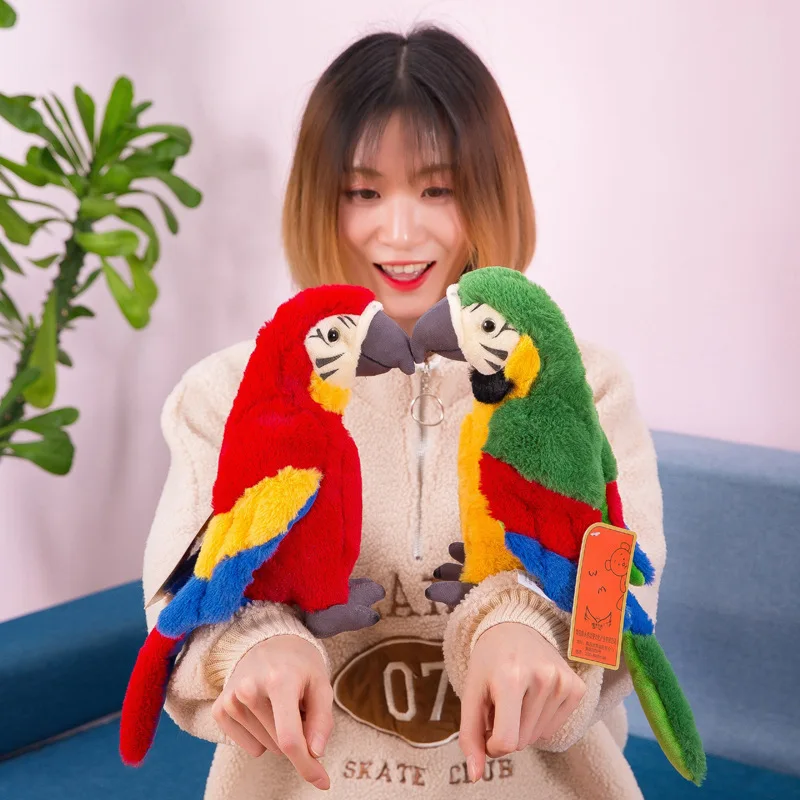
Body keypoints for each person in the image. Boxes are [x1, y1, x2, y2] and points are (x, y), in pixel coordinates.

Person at [141, 24, 664, 799]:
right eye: (363, 192)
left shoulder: (583, 386)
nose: (398, 231)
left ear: (491, 191)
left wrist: (530, 627)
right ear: (320, 201)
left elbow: (619, 586)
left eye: (437, 189)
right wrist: (251, 647)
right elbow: (179, 608)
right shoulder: (221, 396)